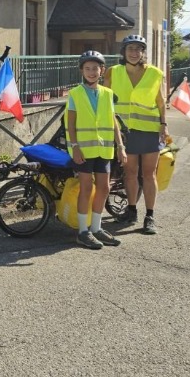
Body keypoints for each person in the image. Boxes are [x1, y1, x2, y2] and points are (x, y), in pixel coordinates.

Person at [104, 34, 167, 235]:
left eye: (138, 49)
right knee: (130, 173)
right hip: (124, 131)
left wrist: (164, 125)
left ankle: (150, 216)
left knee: (149, 174)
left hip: (149, 130)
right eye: (130, 48)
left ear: (143, 53)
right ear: (124, 51)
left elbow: (160, 102)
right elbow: (105, 100)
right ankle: (131, 211)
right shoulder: (113, 72)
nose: (134, 53)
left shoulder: (155, 73)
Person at [65, 50, 127, 249]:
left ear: (102, 70)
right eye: (88, 68)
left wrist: (121, 146)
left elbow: (113, 122)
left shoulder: (108, 94)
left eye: (95, 68)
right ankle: (83, 232)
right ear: (82, 71)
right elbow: (71, 124)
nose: (92, 72)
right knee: (86, 188)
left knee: (104, 187)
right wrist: (74, 147)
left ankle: (96, 228)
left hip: (104, 149)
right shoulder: (75, 93)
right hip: (83, 150)